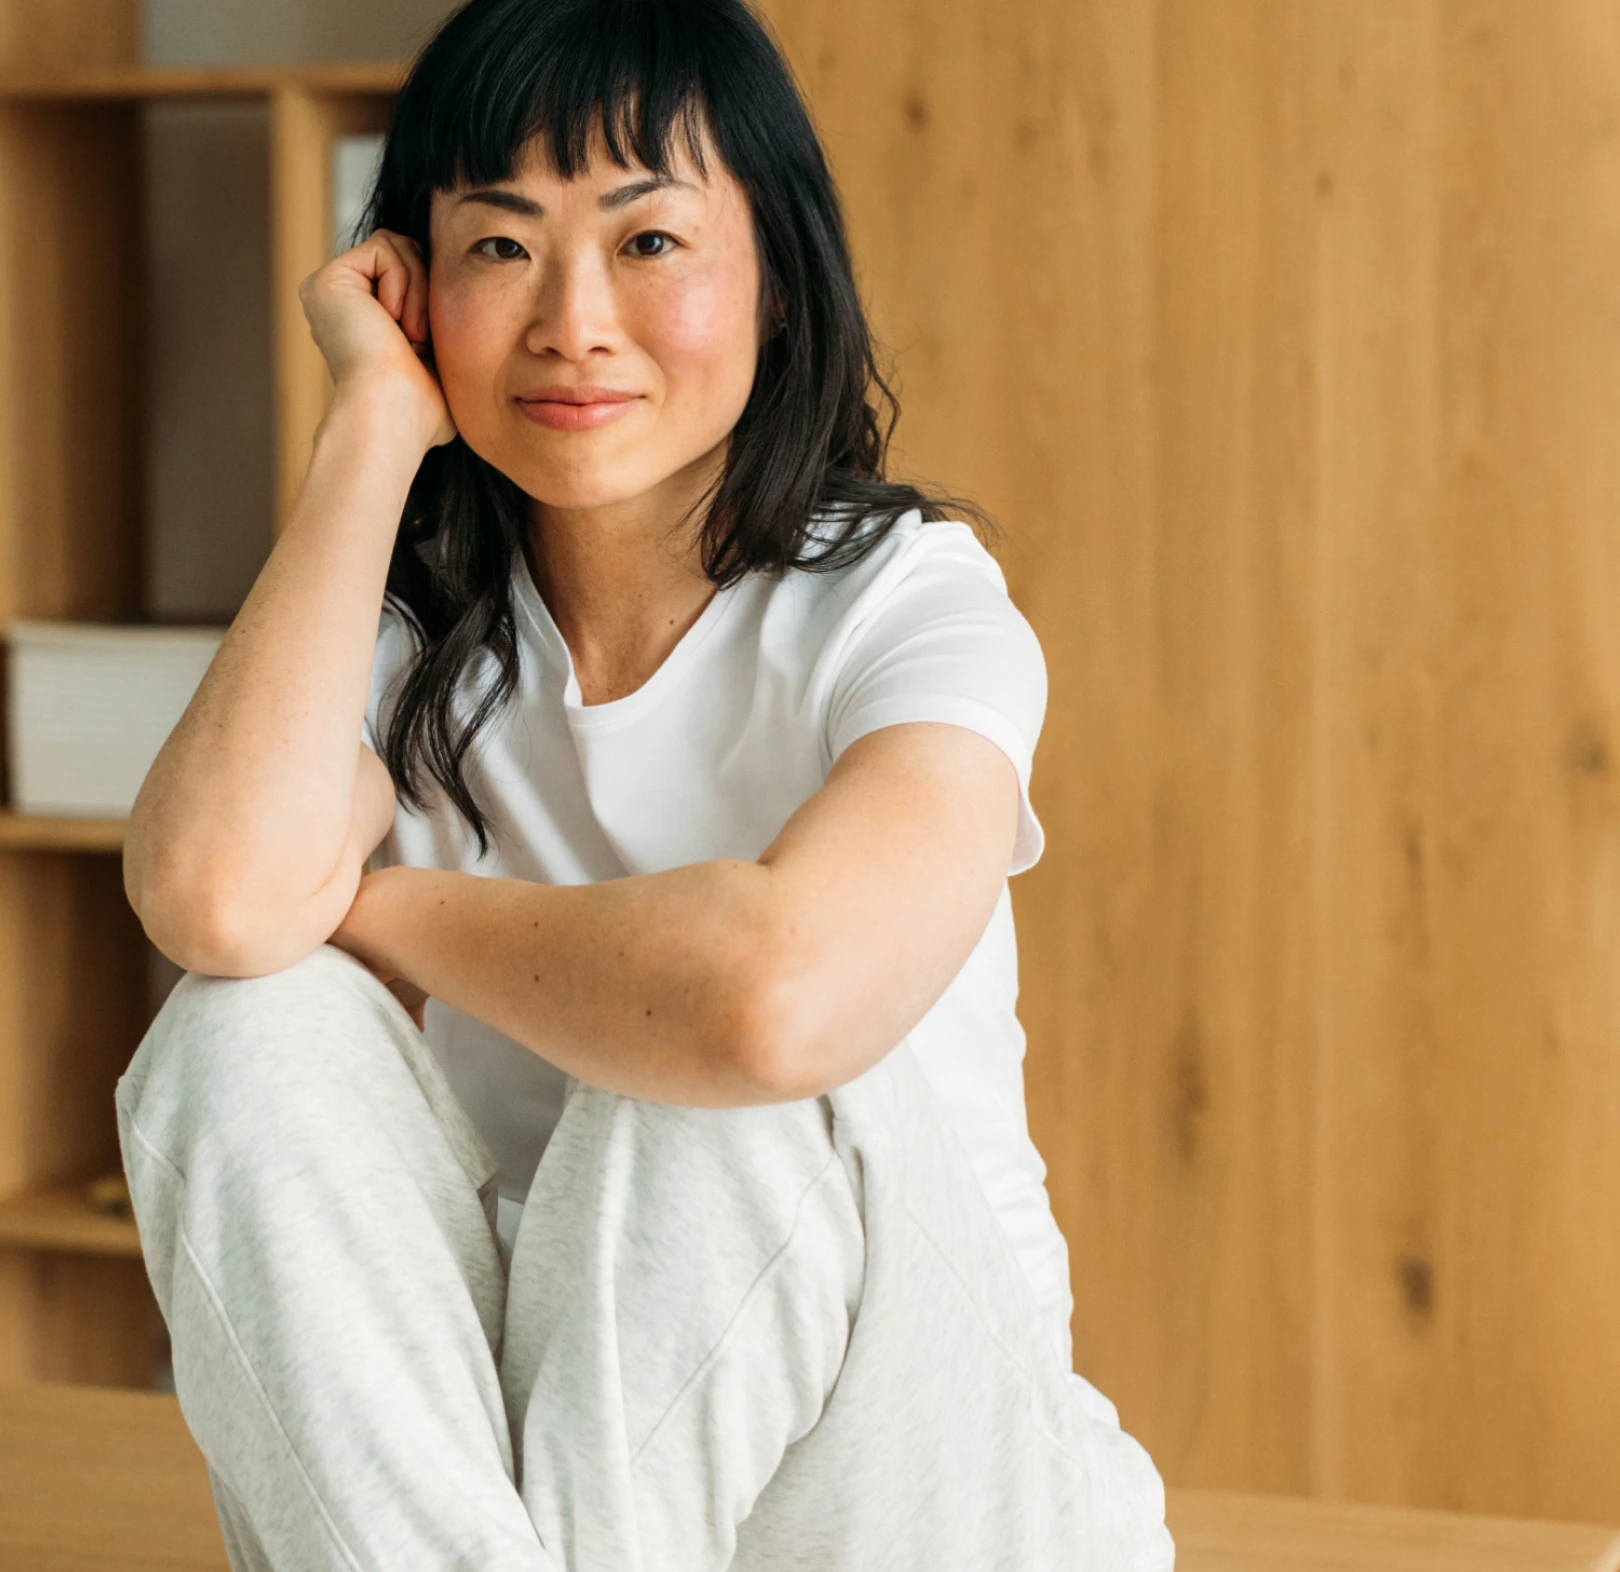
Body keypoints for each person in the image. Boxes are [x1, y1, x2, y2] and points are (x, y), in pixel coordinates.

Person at [114, 0, 1174, 1566]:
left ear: (779, 287)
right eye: (498, 247)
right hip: (560, 1495)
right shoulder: (412, 634)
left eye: (650, 241)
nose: (572, 320)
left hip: (934, 1489)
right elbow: (212, 898)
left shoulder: (909, 606)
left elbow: (776, 1006)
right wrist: (371, 430)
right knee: (237, 1030)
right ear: (413, 289)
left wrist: (388, 910)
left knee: (720, 1075)